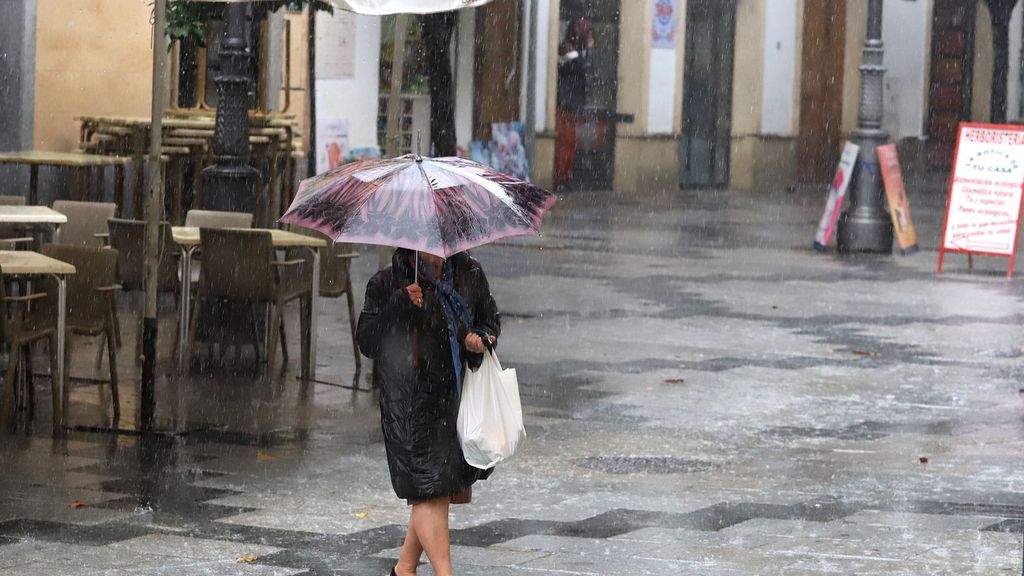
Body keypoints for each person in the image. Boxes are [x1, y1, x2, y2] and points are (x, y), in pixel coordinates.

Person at [357, 248, 501, 576]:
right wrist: (399, 304)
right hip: (407, 405)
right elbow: (368, 342)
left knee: (436, 490)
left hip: (452, 401)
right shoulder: (388, 282)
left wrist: (479, 339)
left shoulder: (468, 273)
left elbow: (489, 321)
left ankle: (404, 569)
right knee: (428, 490)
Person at [555, 16, 595, 189]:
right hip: (565, 104)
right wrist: (589, 50)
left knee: (571, 143)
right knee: (564, 143)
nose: (589, 37)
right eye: (587, 32)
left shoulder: (580, 50)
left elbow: (587, 67)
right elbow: (581, 66)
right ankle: (560, 178)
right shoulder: (566, 48)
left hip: (574, 103)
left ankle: (565, 177)